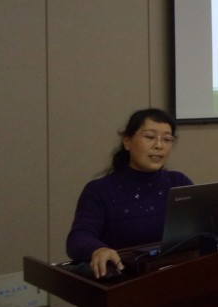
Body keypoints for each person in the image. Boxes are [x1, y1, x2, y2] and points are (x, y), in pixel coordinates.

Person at [66, 108, 193, 278]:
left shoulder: (178, 182)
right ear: (127, 142)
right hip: (125, 281)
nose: (159, 145)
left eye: (167, 139)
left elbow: (201, 228)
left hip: (177, 276)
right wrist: (98, 249)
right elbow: (78, 238)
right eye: (150, 137)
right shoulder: (100, 190)